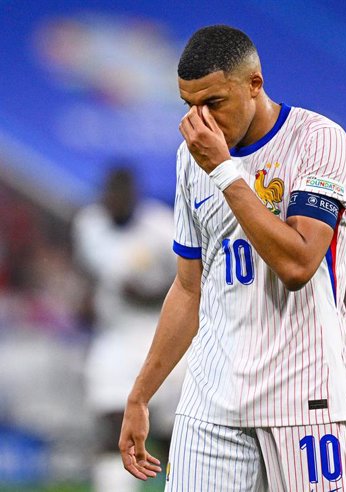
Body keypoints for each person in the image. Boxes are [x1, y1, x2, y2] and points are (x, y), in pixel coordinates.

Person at [118, 25, 346, 491]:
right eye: (188, 105)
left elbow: (298, 265)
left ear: (254, 84)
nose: (199, 121)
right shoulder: (190, 159)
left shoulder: (319, 141)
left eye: (212, 103)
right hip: (212, 400)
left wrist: (226, 170)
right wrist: (141, 395)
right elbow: (189, 288)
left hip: (304, 399)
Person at [72, 165, 181, 492]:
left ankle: (186, 479)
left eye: (122, 196)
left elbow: (192, 283)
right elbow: (90, 271)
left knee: (170, 432)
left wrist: (148, 296)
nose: (115, 203)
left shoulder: (162, 226)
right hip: (114, 339)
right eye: (109, 196)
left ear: (135, 195)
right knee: (111, 424)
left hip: (160, 336)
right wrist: (86, 302)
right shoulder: (89, 225)